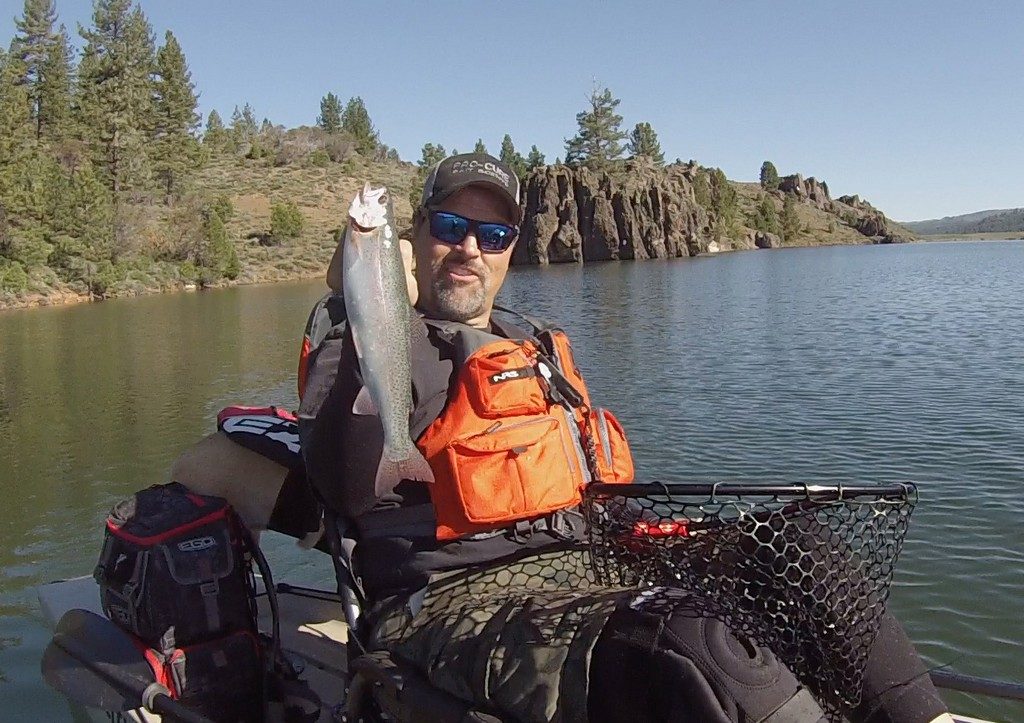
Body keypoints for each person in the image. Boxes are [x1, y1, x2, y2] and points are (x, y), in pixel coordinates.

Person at [175, 153, 953, 723]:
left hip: (589, 557)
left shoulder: (535, 342)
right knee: (692, 643)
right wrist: (366, 306)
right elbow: (344, 487)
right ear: (414, 236)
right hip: (450, 599)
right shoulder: (370, 340)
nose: (469, 248)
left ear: (513, 245)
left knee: (798, 552)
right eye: (450, 226)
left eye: (492, 231)